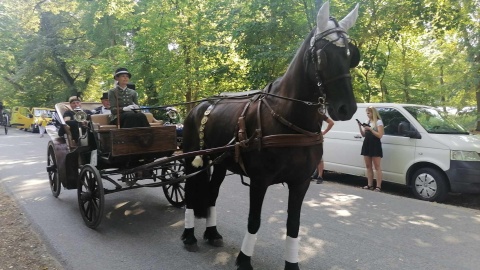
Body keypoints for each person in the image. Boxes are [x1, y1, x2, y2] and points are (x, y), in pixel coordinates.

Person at [358, 106, 384, 192]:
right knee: (368, 166)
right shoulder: (367, 121)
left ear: (373, 113)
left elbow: (380, 135)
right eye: (367, 113)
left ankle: (378, 186)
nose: (367, 115)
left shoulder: (378, 122)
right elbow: (364, 135)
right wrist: (360, 127)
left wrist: (370, 129)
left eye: (369, 113)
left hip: (375, 144)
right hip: (367, 143)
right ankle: (370, 184)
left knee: (377, 166)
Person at [312, 115, 334, 184]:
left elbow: (331, 122)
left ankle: (320, 176)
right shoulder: (307, 113)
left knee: (319, 157)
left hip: (317, 138)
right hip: (308, 137)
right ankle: (309, 174)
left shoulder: (320, 114)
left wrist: (324, 132)